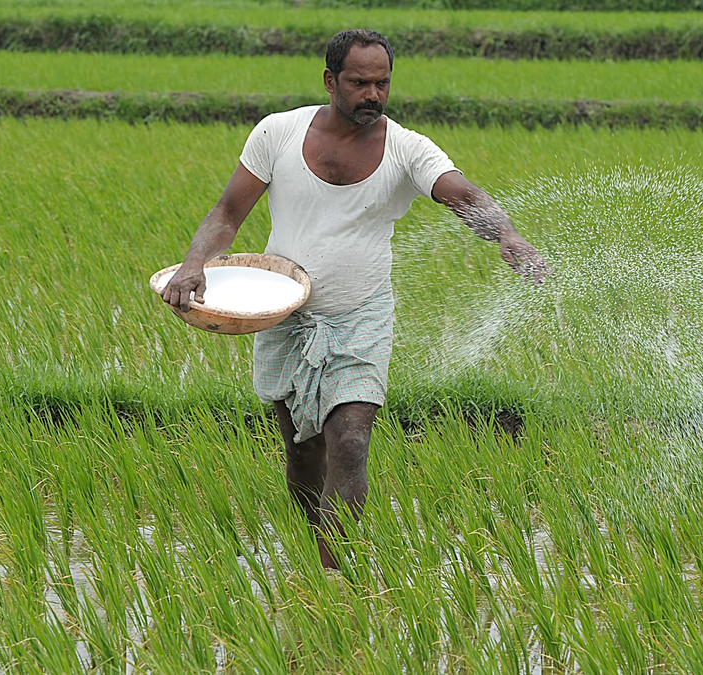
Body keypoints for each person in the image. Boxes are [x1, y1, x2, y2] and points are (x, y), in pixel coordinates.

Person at [160, 29, 549, 568]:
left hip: (360, 313)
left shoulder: (408, 149)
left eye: (382, 83)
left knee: (350, 440)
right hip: (284, 314)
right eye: (360, 82)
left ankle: (334, 575)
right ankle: (309, 553)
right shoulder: (278, 134)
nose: (373, 94)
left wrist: (506, 233)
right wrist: (194, 263)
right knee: (302, 454)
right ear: (330, 81)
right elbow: (228, 213)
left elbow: (464, 194)